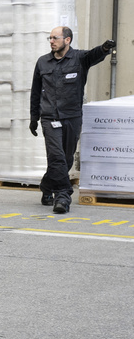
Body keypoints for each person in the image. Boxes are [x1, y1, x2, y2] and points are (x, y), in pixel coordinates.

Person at [29, 26, 115, 214]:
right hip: (49, 117)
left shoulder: (79, 59)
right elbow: (35, 92)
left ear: (67, 40)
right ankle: (62, 195)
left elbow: (94, 55)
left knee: (65, 159)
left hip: (72, 117)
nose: (51, 41)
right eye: (50, 38)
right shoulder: (43, 62)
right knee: (56, 156)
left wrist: (105, 49)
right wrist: (34, 118)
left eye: (55, 38)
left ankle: (46, 186)